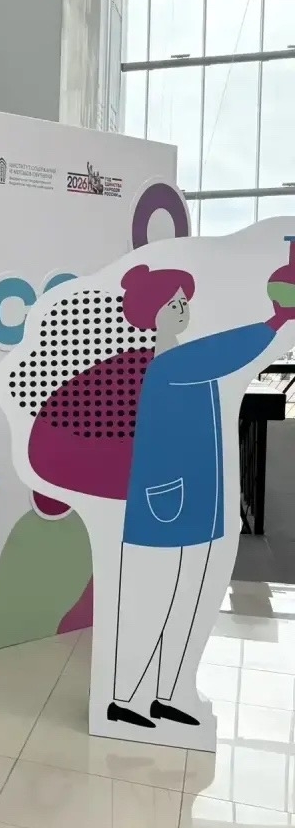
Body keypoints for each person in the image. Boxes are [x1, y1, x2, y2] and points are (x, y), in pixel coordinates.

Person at [108, 259, 295, 728]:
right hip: (164, 508)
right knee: (152, 603)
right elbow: (226, 352)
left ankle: (167, 693)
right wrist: (275, 321)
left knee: (187, 601)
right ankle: (124, 698)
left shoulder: (183, 362)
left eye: (183, 302)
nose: (181, 309)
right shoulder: (170, 365)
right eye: (172, 303)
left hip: (197, 503)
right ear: (152, 315)